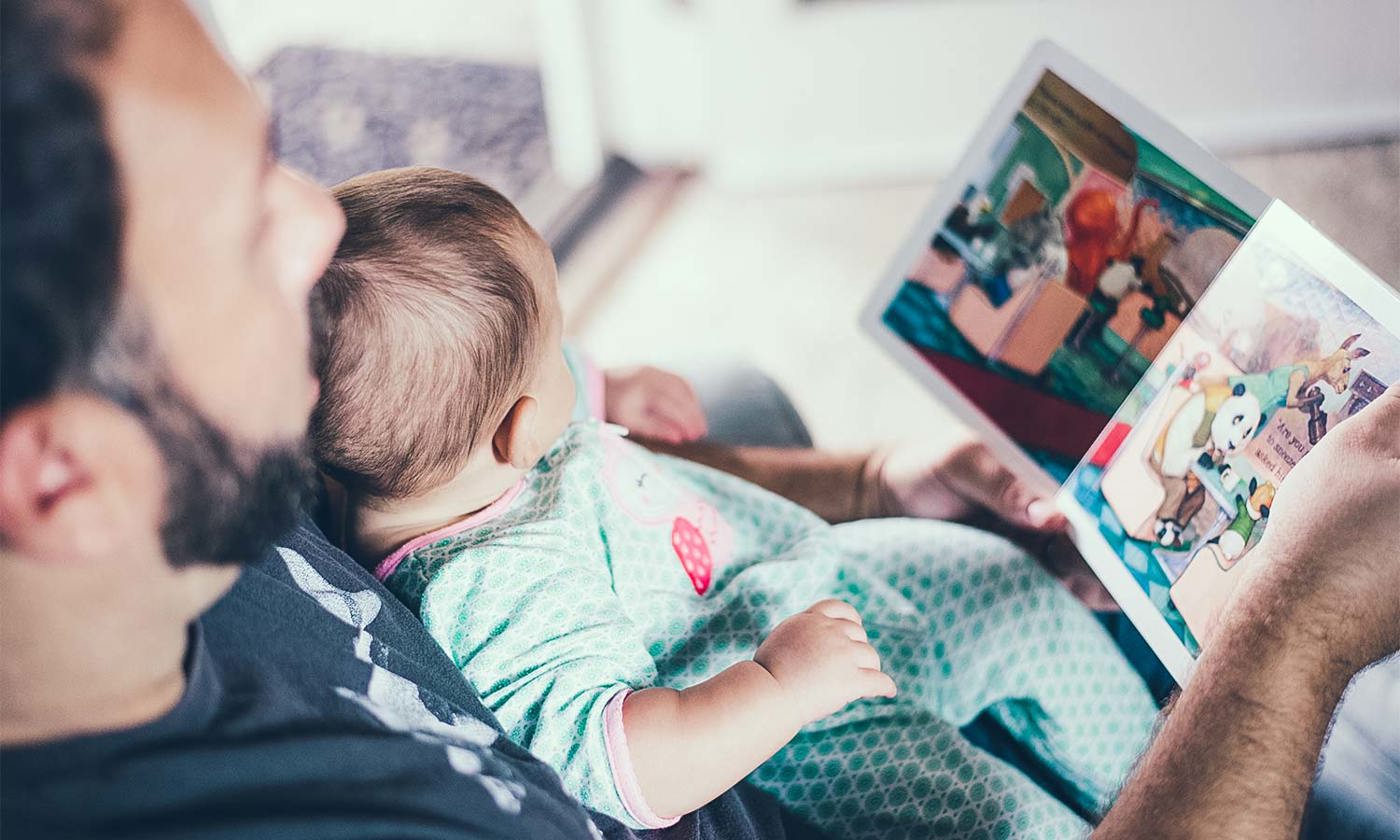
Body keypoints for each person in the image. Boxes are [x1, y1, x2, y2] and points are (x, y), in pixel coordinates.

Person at [0, 2, 1396, 838]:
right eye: (242, 226)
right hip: (804, 729)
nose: (318, 220)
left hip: (772, 588)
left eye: (279, 154)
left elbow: (546, 470)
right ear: (62, 479)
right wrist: (1296, 631)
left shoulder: (246, 449)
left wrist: (865, 476)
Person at [308, 166, 1157, 837]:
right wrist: (778, 686)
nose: (572, 352)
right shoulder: (491, 590)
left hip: (799, 573)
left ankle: (1149, 763)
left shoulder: (441, 455)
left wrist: (606, 387)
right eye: (559, 343)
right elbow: (620, 764)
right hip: (803, 727)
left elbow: (506, 381)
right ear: (521, 431)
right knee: (1002, 822)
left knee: (1010, 588)